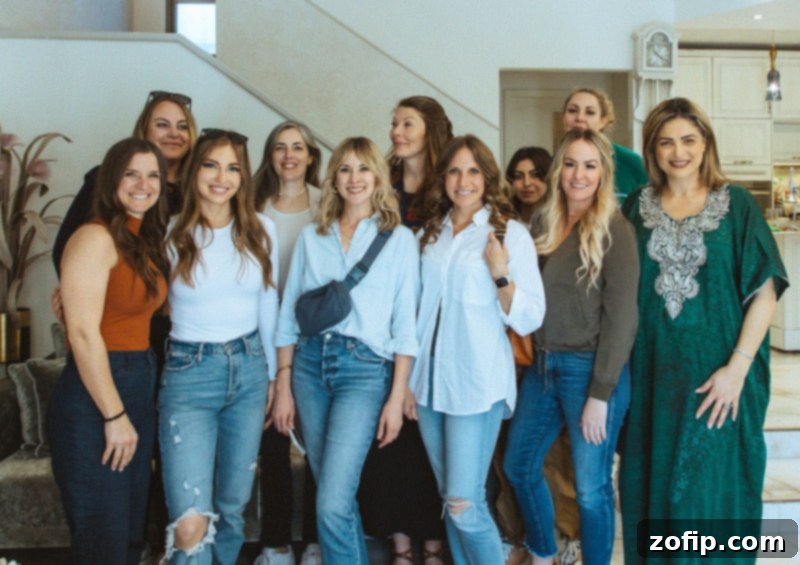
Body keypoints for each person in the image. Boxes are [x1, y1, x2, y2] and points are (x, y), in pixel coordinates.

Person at [619, 97, 788, 565]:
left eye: (689, 140)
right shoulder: (635, 208)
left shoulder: (737, 206)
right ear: (652, 149)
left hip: (720, 379)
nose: (679, 152)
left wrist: (737, 369)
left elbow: (765, 291)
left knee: (711, 493)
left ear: (706, 143)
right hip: (653, 380)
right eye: (666, 142)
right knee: (655, 493)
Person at [272, 137, 420, 564]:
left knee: (332, 502)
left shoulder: (398, 240)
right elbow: (289, 312)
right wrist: (283, 382)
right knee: (334, 496)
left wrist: (397, 396)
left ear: (378, 178)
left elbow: (405, 325)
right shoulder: (311, 236)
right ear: (333, 179)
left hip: (364, 370)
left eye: (363, 169)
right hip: (308, 367)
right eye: (345, 169)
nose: (354, 178)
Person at [502, 129, 639, 565]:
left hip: (590, 371)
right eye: (571, 164)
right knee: (519, 466)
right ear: (559, 169)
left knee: (591, 489)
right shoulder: (542, 224)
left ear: (603, 173)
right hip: (543, 368)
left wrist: (601, 394)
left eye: (590, 165)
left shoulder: (616, 230)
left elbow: (622, 319)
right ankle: (544, 553)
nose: (579, 175)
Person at [412, 134, 545, 564]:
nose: (463, 180)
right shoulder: (429, 234)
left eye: (472, 171)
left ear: (487, 178)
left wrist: (501, 274)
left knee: (463, 502)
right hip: (427, 384)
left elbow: (530, 317)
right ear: (442, 178)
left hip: (476, 383)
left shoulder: (509, 234)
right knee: (450, 498)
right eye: (454, 171)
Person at [158, 128, 279, 564]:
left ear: (243, 177)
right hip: (189, 373)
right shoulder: (172, 233)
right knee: (190, 521)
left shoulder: (261, 229)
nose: (221, 177)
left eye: (232, 168)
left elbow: (268, 303)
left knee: (232, 508)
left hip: (249, 371)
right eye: (211, 165)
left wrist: (273, 377)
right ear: (194, 172)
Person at [47, 137, 170, 564]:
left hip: (139, 380)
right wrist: (114, 416)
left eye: (152, 175)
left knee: (130, 534)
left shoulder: (141, 240)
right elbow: (82, 334)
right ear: (110, 179)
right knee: (104, 538)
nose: (143, 184)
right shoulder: (94, 236)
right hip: (96, 394)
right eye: (131, 174)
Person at [358, 96, 450, 565]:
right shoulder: (382, 185)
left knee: (427, 444)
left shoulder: (449, 186)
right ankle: (398, 544)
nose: (396, 131)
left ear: (430, 129)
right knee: (388, 442)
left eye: (407, 124)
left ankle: (432, 543)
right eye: (394, 123)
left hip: (436, 332)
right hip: (385, 329)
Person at [251, 121, 323, 565]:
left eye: (298, 147)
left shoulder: (326, 203)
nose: (289, 155)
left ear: (311, 156)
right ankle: (275, 543)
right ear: (270, 155)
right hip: (264, 329)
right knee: (273, 438)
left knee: (315, 440)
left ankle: (314, 541)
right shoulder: (253, 203)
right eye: (280, 147)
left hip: (313, 332)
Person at [53, 90, 197, 273]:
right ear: (144, 130)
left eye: (183, 127)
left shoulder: (196, 191)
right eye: (162, 125)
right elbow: (65, 248)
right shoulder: (105, 178)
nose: (174, 134)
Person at [562, 87, 647, 203]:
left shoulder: (633, 163)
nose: (579, 118)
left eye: (590, 112)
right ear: (564, 117)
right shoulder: (549, 165)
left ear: (603, 121)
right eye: (572, 110)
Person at [505, 146, 553, 229]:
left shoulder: (561, 224)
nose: (526, 183)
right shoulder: (502, 223)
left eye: (535, 175)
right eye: (518, 176)